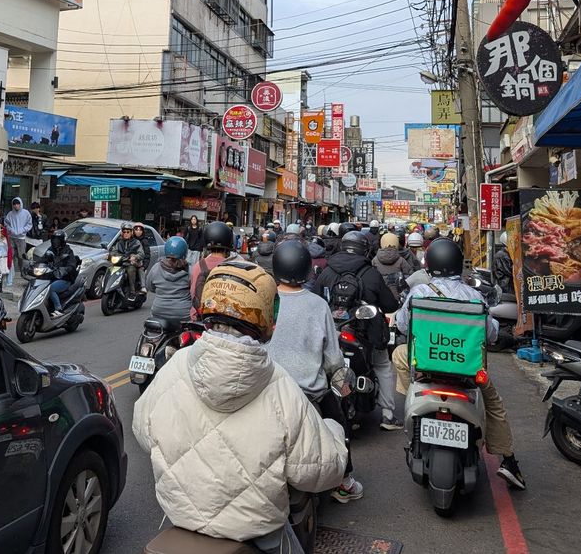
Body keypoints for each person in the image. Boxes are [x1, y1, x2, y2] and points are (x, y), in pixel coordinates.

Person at [133, 260, 348, 551]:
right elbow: (319, 471)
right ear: (265, 316)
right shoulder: (280, 385)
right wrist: (333, 431)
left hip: (181, 518)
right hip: (260, 533)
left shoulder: (175, 367)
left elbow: (143, 431)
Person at [392, 237, 526, 490]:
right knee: (494, 406)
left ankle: (411, 394)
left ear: (429, 264)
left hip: (425, 369)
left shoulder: (419, 292)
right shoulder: (474, 296)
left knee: (399, 353)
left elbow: (401, 325)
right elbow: (491, 335)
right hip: (468, 372)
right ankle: (508, 460)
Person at [266, 238, 363, 504]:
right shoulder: (318, 305)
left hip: (268, 388)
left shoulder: (265, 299)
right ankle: (344, 482)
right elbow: (333, 357)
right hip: (311, 393)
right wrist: (336, 373)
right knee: (339, 428)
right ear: (308, 269)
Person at [313, 230, 401, 431]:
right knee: (383, 365)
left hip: (332, 332)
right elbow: (390, 305)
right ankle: (387, 415)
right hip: (365, 333)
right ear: (365, 250)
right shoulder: (371, 273)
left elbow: (315, 298)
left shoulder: (328, 271)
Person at [190, 220, 239, 316]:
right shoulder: (234, 267)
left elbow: (192, 293)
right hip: (224, 319)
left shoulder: (198, 266)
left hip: (199, 317)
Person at [145, 235, 192, 331]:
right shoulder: (190, 270)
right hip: (183, 314)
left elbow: (149, 287)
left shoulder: (156, 268)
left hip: (159, 311)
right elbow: (194, 291)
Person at [46, 230, 80, 315]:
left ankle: (58, 308)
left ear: (62, 240)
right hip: (52, 276)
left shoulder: (68, 251)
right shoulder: (50, 250)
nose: (55, 241)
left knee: (50, 289)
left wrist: (64, 270)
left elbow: (71, 265)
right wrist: (32, 266)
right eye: (54, 239)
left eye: (58, 239)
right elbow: (43, 259)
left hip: (65, 278)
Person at [373, 231, 414, 302]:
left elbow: (372, 279)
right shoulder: (401, 260)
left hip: (381, 297)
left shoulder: (375, 260)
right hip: (399, 297)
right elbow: (410, 277)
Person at [114, 223, 147, 298]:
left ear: (131, 232)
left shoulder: (136, 242)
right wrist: (109, 255)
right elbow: (114, 251)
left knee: (130, 270)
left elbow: (141, 254)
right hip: (121, 264)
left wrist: (135, 257)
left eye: (128, 232)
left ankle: (132, 292)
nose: (126, 234)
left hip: (131, 264)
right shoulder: (119, 242)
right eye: (124, 232)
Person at [3, 197, 33, 279]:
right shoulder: (10, 214)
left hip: (21, 238)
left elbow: (29, 224)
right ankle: (9, 272)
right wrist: (11, 230)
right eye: (14, 204)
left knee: (21, 256)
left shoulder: (26, 213)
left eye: (17, 204)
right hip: (11, 237)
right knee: (11, 255)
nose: (16, 206)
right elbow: (6, 224)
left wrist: (22, 230)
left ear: (20, 204)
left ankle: (22, 272)